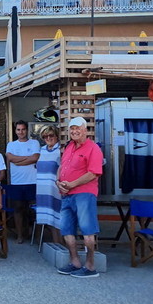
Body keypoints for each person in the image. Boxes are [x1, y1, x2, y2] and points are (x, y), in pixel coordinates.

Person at [56, 117, 104, 278]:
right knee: (67, 229)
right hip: (66, 194)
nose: (74, 131)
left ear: (85, 130)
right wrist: (58, 181)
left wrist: (72, 184)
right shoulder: (69, 146)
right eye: (72, 129)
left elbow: (93, 173)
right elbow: (62, 166)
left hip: (84, 193)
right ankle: (75, 262)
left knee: (87, 230)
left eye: (78, 128)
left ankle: (90, 266)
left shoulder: (93, 148)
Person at [6, 120, 41, 243]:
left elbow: (36, 158)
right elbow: (10, 158)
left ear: (27, 130)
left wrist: (18, 161)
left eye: (23, 129)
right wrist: (28, 158)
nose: (21, 132)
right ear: (15, 131)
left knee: (34, 210)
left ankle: (35, 236)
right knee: (18, 209)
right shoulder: (11, 144)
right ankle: (20, 235)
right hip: (17, 182)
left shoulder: (34, 143)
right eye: (18, 129)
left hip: (32, 181)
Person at [36, 125, 63, 244]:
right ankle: (56, 245)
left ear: (57, 136)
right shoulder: (41, 150)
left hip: (55, 190)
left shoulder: (60, 151)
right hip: (43, 190)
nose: (48, 138)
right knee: (50, 219)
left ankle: (63, 246)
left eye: (51, 135)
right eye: (45, 136)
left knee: (59, 218)